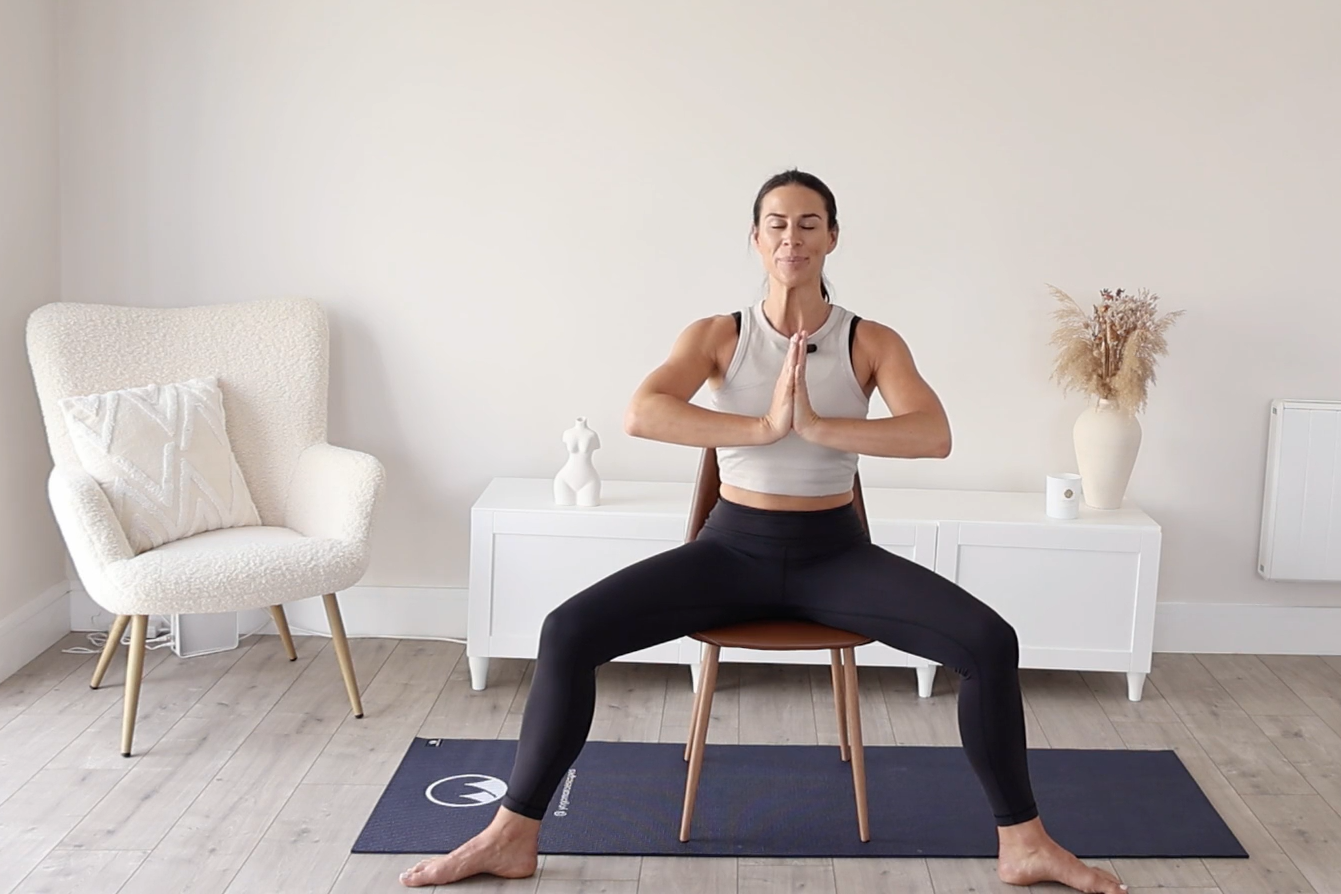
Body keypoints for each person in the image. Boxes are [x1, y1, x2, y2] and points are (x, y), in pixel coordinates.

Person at [402, 170, 1127, 893]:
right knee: (566, 631)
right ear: (756, 239)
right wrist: (765, 426)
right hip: (730, 553)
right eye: (777, 223)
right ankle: (512, 834)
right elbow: (642, 412)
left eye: (810, 223)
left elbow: (933, 434)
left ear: (833, 238)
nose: (793, 237)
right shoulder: (721, 335)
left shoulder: (868, 341)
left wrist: (819, 426)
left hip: (836, 558)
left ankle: (1024, 844)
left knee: (990, 643)